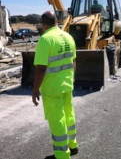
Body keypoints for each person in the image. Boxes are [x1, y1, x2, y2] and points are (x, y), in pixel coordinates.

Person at [32, 11, 79, 159]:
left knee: (57, 119)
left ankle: (62, 155)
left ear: (43, 23)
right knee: (69, 115)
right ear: (56, 21)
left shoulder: (45, 39)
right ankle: (73, 146)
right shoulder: (68, 37)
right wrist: (72, 80)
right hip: (67, 84)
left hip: (53, 88)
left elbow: (41, 68)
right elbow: (73, 62)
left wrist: (34, 90)